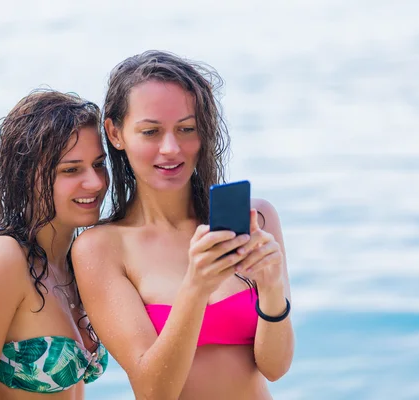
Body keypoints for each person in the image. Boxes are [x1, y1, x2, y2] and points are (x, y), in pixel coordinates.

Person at [71, 51, 294, 400]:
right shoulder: (100, 248)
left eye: (186, 129)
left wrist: (270, 289)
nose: (171, 148)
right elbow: (153, 390)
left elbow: (275, 368)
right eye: (151, 132)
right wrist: (196, 287)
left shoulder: (258, 218)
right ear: (115, 133)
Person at [0, 89, 109, 399]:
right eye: (71, 170)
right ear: (26, 176)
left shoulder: (79, 261)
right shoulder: (2, 259)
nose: (96, 182)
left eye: (99, 164)